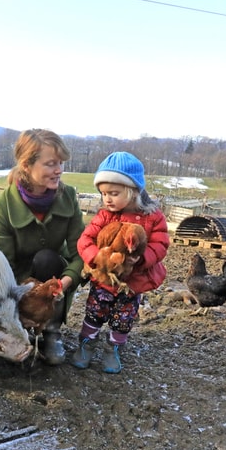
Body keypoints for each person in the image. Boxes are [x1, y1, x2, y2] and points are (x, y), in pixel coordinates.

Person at [0, 129, 85, 365]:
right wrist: (21, 304)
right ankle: (17, 327)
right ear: (26, 165)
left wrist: (64, 283)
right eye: (50, 164)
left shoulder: (68, 197)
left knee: (47, 259)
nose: (59, 170)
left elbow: (82, 253)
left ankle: (51, 332)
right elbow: (1, 267)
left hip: (52, 274)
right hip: (16, 280)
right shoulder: (3, 207)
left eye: (60, 163)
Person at [72, 151, 169, 373]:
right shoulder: (105, 216)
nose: (107, 199)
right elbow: (85, 240)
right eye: (104, 193)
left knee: (123, 319)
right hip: (104, 280)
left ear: (133, 190)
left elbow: (161, 244)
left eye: (114, 193)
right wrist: (96, 258)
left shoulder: (154, 217)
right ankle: (86, 345)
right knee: (94, 313)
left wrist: (142, 259)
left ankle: (112, 349)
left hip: (132, 283)